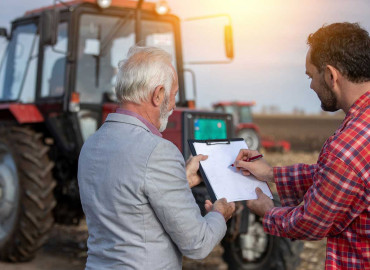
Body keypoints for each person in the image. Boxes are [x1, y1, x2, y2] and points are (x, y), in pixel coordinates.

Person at [78, 46, 235, 270]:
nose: (172, 105)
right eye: (173, 96)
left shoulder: (91, 145)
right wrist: (220, 213)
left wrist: (180, 179)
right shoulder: (158, 151)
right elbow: (197, 244)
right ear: (158, 94)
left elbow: (129, 197)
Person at [234, 22, 370, 269]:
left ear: (330, 75)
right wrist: (270, 173)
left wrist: (268, 211)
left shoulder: (347, 147)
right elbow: (336, 179)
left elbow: (311, 221)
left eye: (311, 76)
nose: (310, 86)